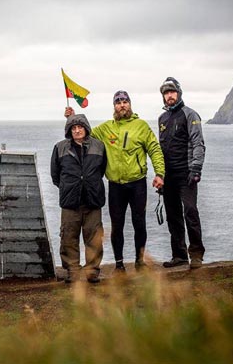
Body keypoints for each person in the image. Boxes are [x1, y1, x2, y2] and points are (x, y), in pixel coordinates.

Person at [65, 90, 165, 272]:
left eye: (125, 101)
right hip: (115, 186)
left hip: (137, 184)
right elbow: (83, 135)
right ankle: (119, 264)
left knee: (139, 223)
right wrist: (72, 119)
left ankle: (139, 261)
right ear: (114, 106)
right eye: (118, 102)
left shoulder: (141, 126)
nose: (122, 104)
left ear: (130, 104)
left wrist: (160, 173)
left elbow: (154, 149)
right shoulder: (106, 128)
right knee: (117, 226)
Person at [51, 114, 107, 283]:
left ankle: (92, 271)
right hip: (70, 202)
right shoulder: (59, 147)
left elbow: (102, 169)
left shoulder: (99, 146)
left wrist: (90, 183)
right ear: (69, 131)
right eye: (73, 128)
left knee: (94, 237)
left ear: (86, 128)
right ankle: (73, 271)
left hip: (93, 200)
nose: (77, 130)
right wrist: (68, 187)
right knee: (68, 237)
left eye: (80, 127)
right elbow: (55, 175)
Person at [158, 77, 206, 269]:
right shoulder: (162, 119)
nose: (169, 95)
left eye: (172, 92)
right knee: (173, 216)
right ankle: (179, 255)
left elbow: (198, 143)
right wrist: (160, 175)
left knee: (191, 212)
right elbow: (160, 148)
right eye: (166, 93)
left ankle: (196, 255)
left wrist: (196, 168)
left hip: (187, 174)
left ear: (178, 93)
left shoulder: (190, 114)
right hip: (168, 176)